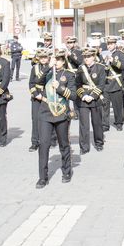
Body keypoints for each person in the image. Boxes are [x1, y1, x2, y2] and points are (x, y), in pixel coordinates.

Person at [35, 49, 77, 188]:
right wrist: (48, 66)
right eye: (55, 59)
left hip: (61, 113)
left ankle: (66, 171)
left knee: (64, 144)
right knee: (44, 145)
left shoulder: (69, 75)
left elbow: (73, 95)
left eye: (59, 59)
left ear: (63, 60)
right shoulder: (47, 72)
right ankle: (43, 177)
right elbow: (37, 81)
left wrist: (59, 88)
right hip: (46, 112)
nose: (57, 62)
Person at [76, 47, 106, 153]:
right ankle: (84, 147)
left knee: (97, 122)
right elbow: (78, 84)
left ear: (93, 57)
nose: (86, 59)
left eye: (89, 56)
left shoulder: (100, 68)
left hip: (95, 99)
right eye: (85, 57)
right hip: (83, 99)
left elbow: (102, 84)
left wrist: (92, 96)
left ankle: (99, 143)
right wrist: (83, 95)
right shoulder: (80, 68)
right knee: (84, 124)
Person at [28, 48, 51, 152]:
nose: (43, 59)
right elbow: (31, 83)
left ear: (48, 58)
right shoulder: (35, 68)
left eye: (45, 57)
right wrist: (36, 94)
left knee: (52, 117)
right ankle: (34, 142)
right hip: (37, 96)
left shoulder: (52, 68)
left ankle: (52, 139)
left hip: (49, 95)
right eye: (41, 57)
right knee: (36, 119)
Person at [104, 36, 124, 131]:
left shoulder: (120, 54)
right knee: (105, 106)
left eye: (111, 44)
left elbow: (123, 66)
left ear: (115, 44)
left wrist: (112, 61)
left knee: (117, 105)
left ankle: (119, 123)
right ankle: (105, 125)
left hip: (116, 83)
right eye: (108, 44)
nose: (109, 46)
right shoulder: (105, 54)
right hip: (106, 83)